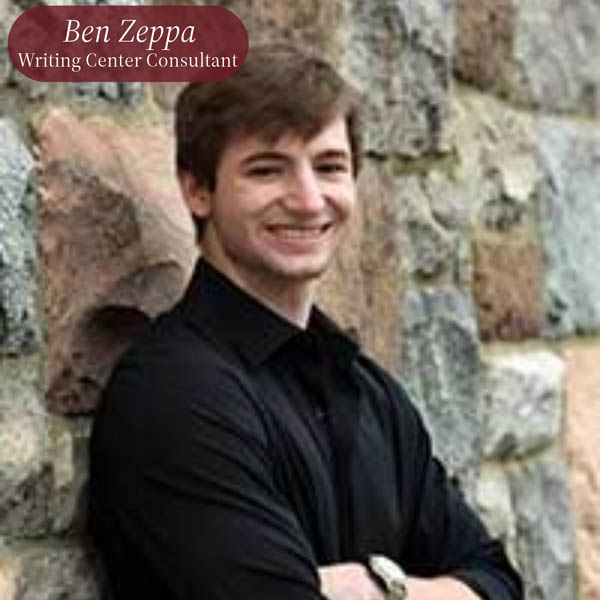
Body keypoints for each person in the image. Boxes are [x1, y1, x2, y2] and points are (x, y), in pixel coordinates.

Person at [89, 44, 523, 600]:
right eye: (268, 169)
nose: (308, 199)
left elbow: (498, 583)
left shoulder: (371, 393)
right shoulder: (173, 394)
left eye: (329, 167)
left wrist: (379, 587)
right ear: (197, 189)